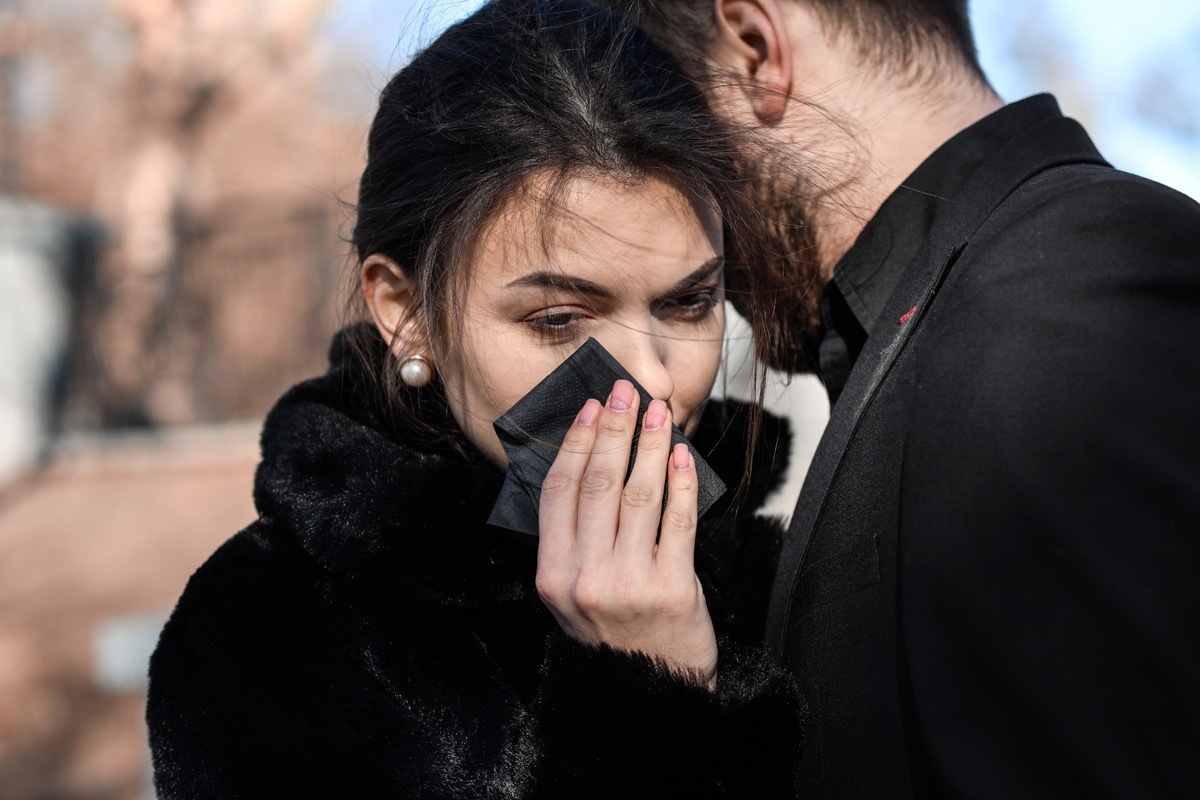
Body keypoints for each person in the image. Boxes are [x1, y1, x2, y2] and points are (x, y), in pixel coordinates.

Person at [145, 0, 806, 796]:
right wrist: (647, 695)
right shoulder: (265, 636)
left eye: (687, 302)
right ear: (406, 314)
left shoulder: (792, 570)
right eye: (560, 318)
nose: (655, 377)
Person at [551, 0, 1200, 795]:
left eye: (665, 119)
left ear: (757, 50)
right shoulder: (987, 303)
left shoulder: (1066, 295)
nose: (681, 197)